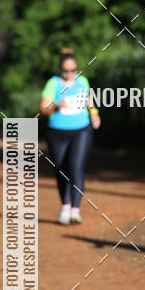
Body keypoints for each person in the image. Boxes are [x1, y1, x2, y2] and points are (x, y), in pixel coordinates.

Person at [39, 49, 100, 224]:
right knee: (61, 168)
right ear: (60, 69)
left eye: (73, 70)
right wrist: (56, 106)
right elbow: (43, 109)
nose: (69, 74)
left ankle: (75, 210)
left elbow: (88, 100)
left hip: (81, 130)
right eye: (66, 71)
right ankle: (65, 206)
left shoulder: (82, 81)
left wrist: (94, 114)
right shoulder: (53, 83)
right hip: (57, 133)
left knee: (76, 167)